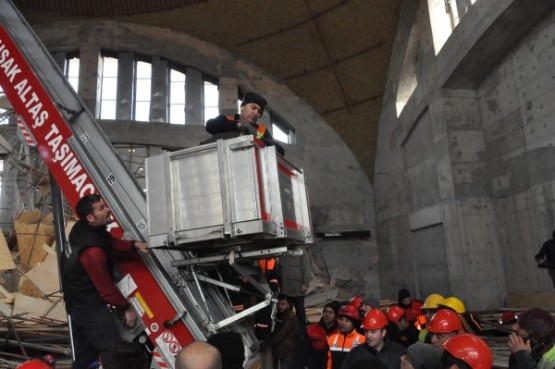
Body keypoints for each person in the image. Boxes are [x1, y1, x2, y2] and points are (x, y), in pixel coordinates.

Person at [60, 194, 148, 369]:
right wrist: (126, 308)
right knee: (115, 353)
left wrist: (134, 245)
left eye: (104, 205)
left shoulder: (83, 228)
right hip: (88, 308)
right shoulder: (92, 252)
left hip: (76, 303)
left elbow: (108, 242)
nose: (107, 209)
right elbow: (106, 289)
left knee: (85, 358)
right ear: (91, 218)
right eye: (101, 209)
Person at [202, 91, 285, 155]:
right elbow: (210, 125)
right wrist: (241, 125)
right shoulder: (227, 119)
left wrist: (257, 136)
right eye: (253, 108)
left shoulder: (262, 130)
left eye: (259, 111)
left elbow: (280, 151)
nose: (256, 113)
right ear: (242, 107)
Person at [341, 308, 406, 369]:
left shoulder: (398, 352)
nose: (368, 335)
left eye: (373, 332)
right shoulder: (355, 354)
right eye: (366, 331)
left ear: (383, 332)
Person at [260, 294, 302, 369]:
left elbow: (280, 335)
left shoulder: (289, 317)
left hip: (287, 353)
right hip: (284, 351)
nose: (280, 306)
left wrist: (266, 344)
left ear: (288, 305)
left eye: (283, 304)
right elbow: (277, 332)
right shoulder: (281, 315)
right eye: (278, 304)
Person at [279, 247, 312, 328]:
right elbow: (280, 268)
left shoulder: (302, 252)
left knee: (300, 312)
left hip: (297, 287)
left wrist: (305, 283)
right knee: (286, 313)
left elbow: (306, 268)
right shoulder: (283, 250)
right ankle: (287, 331)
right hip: (286, 287)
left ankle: (301, 332)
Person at [327, 304, 365, 369]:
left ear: (354, 324)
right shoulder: (331, 339)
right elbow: (329, 362)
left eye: (347, 321)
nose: (342, 323)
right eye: (341, 319)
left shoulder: (363, 340)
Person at [307, 301, 340, 369]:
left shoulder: (340, 331)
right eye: (325, 311)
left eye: (331, 312)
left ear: (335, 316)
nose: (327, 314)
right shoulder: (312, 329)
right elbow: (304, 349)